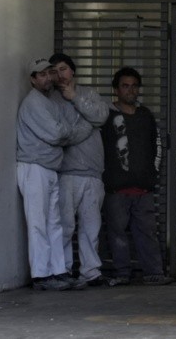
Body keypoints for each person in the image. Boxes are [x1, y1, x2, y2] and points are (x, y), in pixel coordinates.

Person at [16, 58, 88, 291]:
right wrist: (67, 132)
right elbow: (57, 134)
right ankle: (41, 275)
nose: (48, 78)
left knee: (53, 223)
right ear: (33, 79)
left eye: (50, 73)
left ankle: (58, 271)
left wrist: (63, 132)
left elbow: (61, 130)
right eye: (42, 74)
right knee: (38, 222)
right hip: (34, 167)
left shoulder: (49, 102)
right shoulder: (34, 102)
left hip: (49, 168)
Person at [101, 66, 172, 286]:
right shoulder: (106, 115)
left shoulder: (145, 116)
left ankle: (154, 273)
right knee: (116, 233)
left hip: (143, 188)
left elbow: (157, 146)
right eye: (125, 86)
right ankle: (122, 274)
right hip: (115, 188)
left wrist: (153, 174)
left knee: (147, 233)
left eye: (134, 86)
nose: (130, 90)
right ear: (116, 89)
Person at [48, 53, 109, 288]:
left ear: (72, 71)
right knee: (65, 226)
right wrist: (88, 123)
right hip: (66, 173)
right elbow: (62, 133)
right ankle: (62, 270)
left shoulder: (88, 94)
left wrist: (74, 98)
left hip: (93, 174)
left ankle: (91, 272)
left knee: (91, 227)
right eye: (54, 70)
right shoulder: (51, 100)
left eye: (63, 69)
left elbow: (102, 116)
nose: (59, 74)